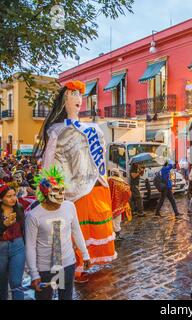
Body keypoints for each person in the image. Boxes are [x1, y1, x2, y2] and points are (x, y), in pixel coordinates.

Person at [34, 80, 116, 283]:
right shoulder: (57, 131)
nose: (79, 99)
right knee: (69, 232)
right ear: (64, 100)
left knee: (85, 231)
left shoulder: (93, 129)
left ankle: (83, 263)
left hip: (93, 188)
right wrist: (48, 189)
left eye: (80, 95)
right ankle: (69, 271)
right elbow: (50, 162)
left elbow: (98, 159)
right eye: (73, 95)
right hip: (70, 191)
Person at [25, 166, 91, 300]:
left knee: (66, 297)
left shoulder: (69, 207)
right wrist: (34, 273)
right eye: (56, 190)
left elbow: (76, 231)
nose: (60, 193)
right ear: (44, 192)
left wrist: (85, 254)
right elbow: (30, 246)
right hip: (44, 268)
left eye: (62, 189)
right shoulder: (34, 216)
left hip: (67, 264)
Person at [0, 185, 25, 300]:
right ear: (0, 198)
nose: (13, 198)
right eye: (9, 196)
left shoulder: (19, 208)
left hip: (18, 247)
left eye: (14, 195)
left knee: (16, 282)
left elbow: (23, 229)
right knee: (3, 279)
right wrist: (4, 225)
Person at [108, 168, 132, 241]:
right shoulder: (122, 182)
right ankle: (117, 235)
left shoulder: (108, 180)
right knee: (117, 220)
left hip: (109, 204)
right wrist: (124, 201)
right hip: (119, 205)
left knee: (110, 221)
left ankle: (112, 235)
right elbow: (128, 192)